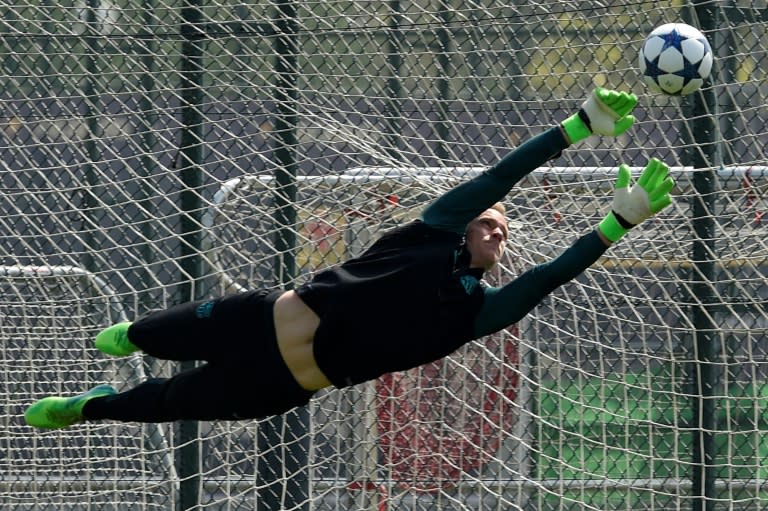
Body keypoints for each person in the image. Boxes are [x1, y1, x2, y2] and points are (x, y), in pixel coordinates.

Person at [24, 87, 675, 429]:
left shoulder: (474, 311)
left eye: (503, 229)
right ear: (465, 223)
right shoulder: (429, 233)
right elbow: (499, 176)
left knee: (160, 402)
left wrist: (616, 223)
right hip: (256, 319)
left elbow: (547, 277)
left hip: (277, 386)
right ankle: (131, 335)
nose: (496, 228)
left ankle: (87, 407)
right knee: (146, 336)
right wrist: (575, 127)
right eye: (489, 221)